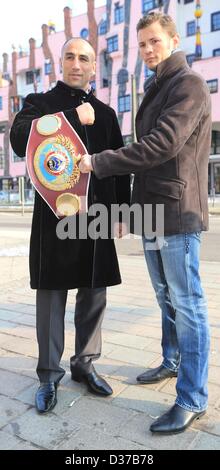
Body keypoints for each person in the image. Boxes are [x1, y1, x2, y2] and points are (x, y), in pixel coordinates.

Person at [79, 12, 211, 435]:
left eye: (154, 41)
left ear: (173, 40)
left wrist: (99, 162)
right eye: (142, 44)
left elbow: (161, 145)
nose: (148, 50)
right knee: (164, 297)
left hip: (177, 212)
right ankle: (171, 361)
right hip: (151, 211)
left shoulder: (187, 84)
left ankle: (192, 398)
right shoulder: (157, 85)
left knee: (188, 305)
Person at [10, 38, 130, 414]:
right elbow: (18, 140)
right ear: (59, 62)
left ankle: (84, 364)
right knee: (51, 295)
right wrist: (71, 119)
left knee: (94, 293)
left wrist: (123, 212)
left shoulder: (108, 114)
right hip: (54, 218)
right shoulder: (38, 104)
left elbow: (120, 166)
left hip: (95, 217)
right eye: (70, 56)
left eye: (85, 58)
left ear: (95, 67)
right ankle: (48, 375)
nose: (77, 64)